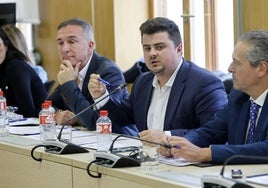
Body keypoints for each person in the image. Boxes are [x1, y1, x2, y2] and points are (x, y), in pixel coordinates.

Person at [88, 17, 228, 144]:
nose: (152, 53)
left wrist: (166, 137)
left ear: (179, 49)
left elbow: (215, 132)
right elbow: (123, 118)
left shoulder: (204, 83)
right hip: (147, 161)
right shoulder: (143, 82)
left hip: (185, 164)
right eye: (147, 48)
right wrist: (102, 96)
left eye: (159, 47)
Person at [159, 30, 268, 164]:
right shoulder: (239, 96)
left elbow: (265, 148)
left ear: (262, 68)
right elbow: (212, 131)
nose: (230, 68)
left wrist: (206, 154)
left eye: (237, 62)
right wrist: (179, 144)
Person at [47, 18, 137, 135]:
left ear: (90, 45)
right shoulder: (70, 71)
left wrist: (69, 85)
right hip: (85, 140)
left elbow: (94, 122)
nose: (65, 49)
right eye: (60, 43)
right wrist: (58, 114)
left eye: (72, 42)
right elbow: (45, 107)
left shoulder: (108, 71)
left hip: (120, 142)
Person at [0, 27, 47, 117]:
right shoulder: (3, 67)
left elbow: (27, 111)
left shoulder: (15, 66)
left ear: (6, 46)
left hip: (36, 124)